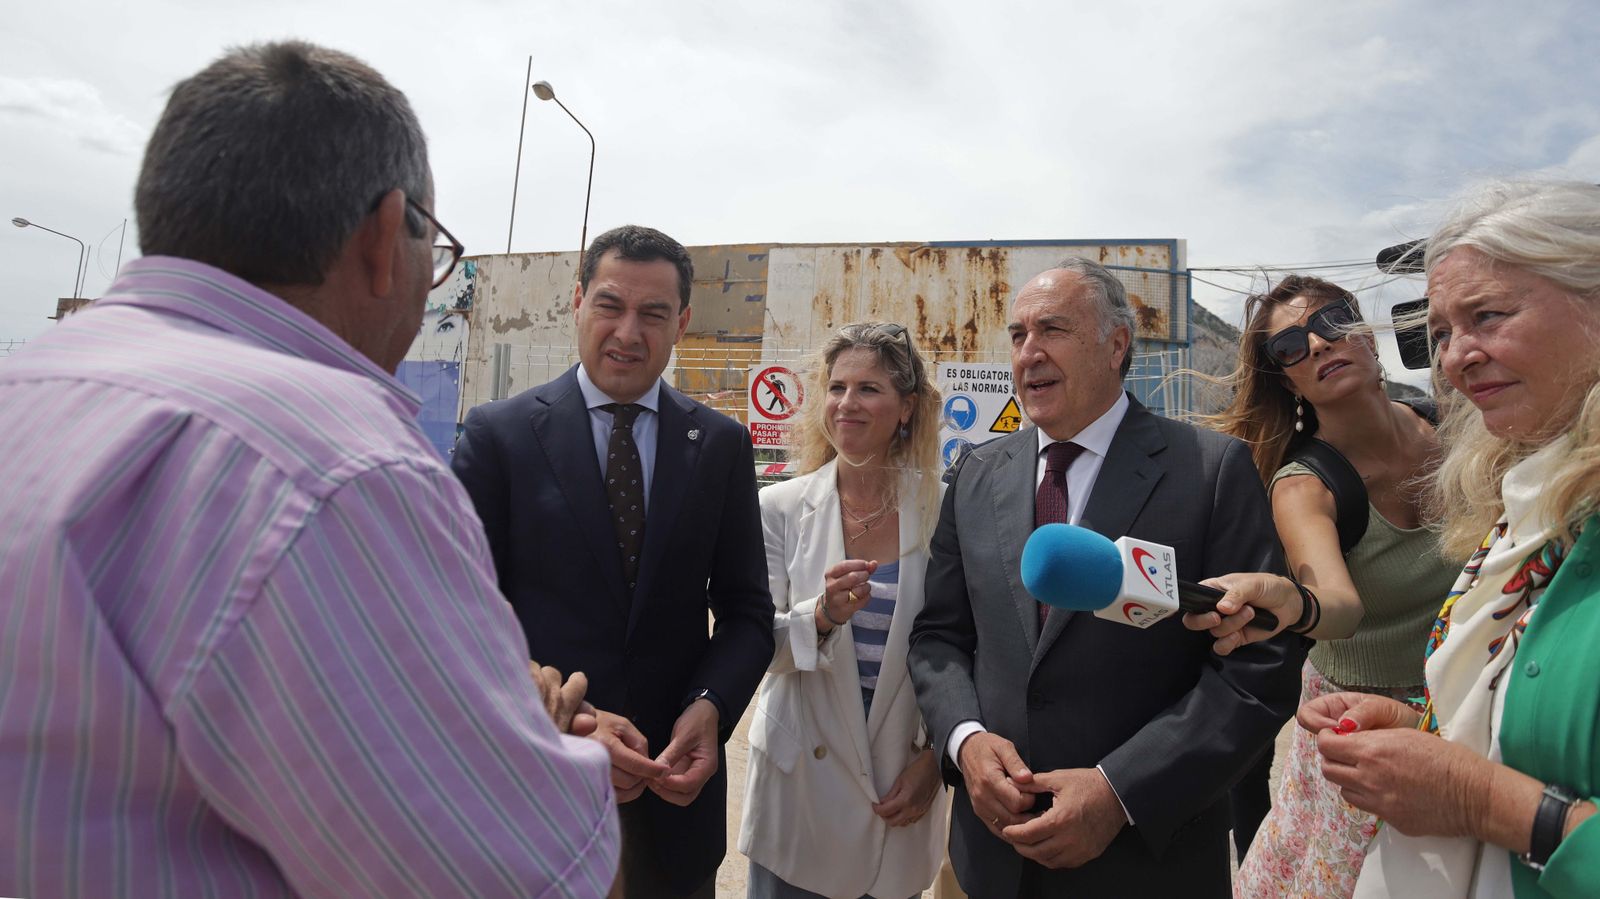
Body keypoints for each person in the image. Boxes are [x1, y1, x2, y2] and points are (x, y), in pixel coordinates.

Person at [0, 42, 619, 898]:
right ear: (384, 234)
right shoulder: (340, 468)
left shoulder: (27, 385)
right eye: (434, 249)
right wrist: (533, 731)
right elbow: (525, 875)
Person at [907, 257, 1307, 897]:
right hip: (993, 858)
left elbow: (1258, 670)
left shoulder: (1211, 471)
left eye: (1052, 329)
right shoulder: (977, 475)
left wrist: (1119, 792)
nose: (1029, 353)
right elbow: (939, 637)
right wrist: (965, 741)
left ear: (1117, 344)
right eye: (1018, 335)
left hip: (1144, 866)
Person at [451, 224, 775, 899]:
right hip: (533, 795)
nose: (628, 332)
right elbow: (456, 614)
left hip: (673, 806)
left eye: (653, 313)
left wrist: (711, 706)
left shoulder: (718, 445)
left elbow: (747, 612)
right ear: (577, 302)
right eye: (610, 305)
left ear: (681, 322)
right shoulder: (499, 436)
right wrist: (569, 719)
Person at [1300, 180, 1600, 898]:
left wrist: (1482, 802)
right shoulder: (1530, 502)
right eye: (1439, 333)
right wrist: (1427, 736)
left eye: (1487, 315)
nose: (1457, 357)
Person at [1182, 275, 1460, 896]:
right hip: (1360, 723)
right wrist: (1295, 604)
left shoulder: (1454, 427)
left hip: (1469, 694)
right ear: (1288, 380)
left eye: (1332, 322)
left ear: (1366, 333)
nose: (1316, 344)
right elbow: (1338, 607)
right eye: (1289, 347)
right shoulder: (1304, 485)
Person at [739, 322, 947, 898]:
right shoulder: (778, 507)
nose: (846, 403)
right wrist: (822, 616)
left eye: (868, 389)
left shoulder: (942, 513)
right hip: (800, 803)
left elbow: (965, 650)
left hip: (896, 794)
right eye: (837, 387)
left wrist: (937, 763)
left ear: (907, 408)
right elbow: (753, 645)